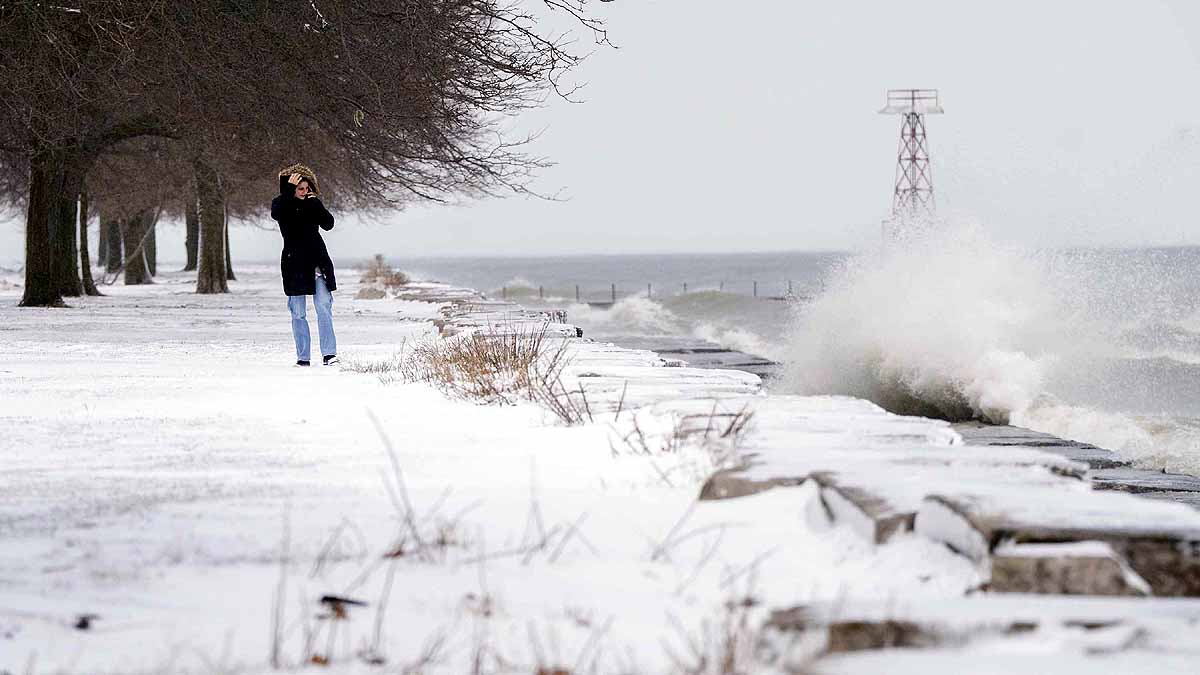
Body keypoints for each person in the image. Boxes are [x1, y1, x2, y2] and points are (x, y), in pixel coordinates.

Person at [270, 164, 338, 366]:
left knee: (323, 306)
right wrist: (289, 194)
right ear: (291, 188)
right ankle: (303, 357)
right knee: (298, 312)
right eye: (300, 188)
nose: (304, 191)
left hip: (318, 263)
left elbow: (328, 224)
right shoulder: (281, 204)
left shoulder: (312, 204)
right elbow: (278, 214)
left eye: (307, 188)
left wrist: (316, 204)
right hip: (294, 264)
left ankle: (329, 354)